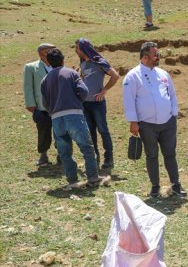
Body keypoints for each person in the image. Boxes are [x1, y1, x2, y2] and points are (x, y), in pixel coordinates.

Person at [122, 41, 186, 198]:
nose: (158, 57)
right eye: (155, 55)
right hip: (146, 123)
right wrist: (133, 121)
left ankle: (175, 184)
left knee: (170, 153)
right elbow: (129, 100)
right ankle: (155, 186)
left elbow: (172, 94)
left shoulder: (163, 74)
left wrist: (174, 113)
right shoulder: (132, 76)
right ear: (145, 57)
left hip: (168, 122)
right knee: (151, 155)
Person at [39, 48, 102, 189]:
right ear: (63, 59)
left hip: (56, 119)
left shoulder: (45, 80)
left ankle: (72, 180)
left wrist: (53, 111)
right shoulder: (72, 73)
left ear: (48, 62)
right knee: (86, 147)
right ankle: (92, 177)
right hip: (74, 115)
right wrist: (77, 102)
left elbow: (44, 103)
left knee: (64, 151)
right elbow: (84, 91)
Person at [75, 38, 120, 170]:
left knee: (103, 130)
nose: (75, 51)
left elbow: (115, 75)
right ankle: (95, 158)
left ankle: (108, 159)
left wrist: (104, 90)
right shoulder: (82, 63)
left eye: (77, 48)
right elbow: (84, 80)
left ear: (84, 48)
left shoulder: (99, 62)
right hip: (85, 104)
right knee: (90, 132)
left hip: (97, 104)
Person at [23, 43, 56, 167]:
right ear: (41, 53)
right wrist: (31, 106)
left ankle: (61, 154)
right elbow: (28, 87)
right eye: (48, 51)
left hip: (58, 106)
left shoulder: (58, 65)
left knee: (61, 131)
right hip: (41, 107)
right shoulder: (31, 67)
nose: (51, 53)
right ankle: (43, 154)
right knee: (43, 131)